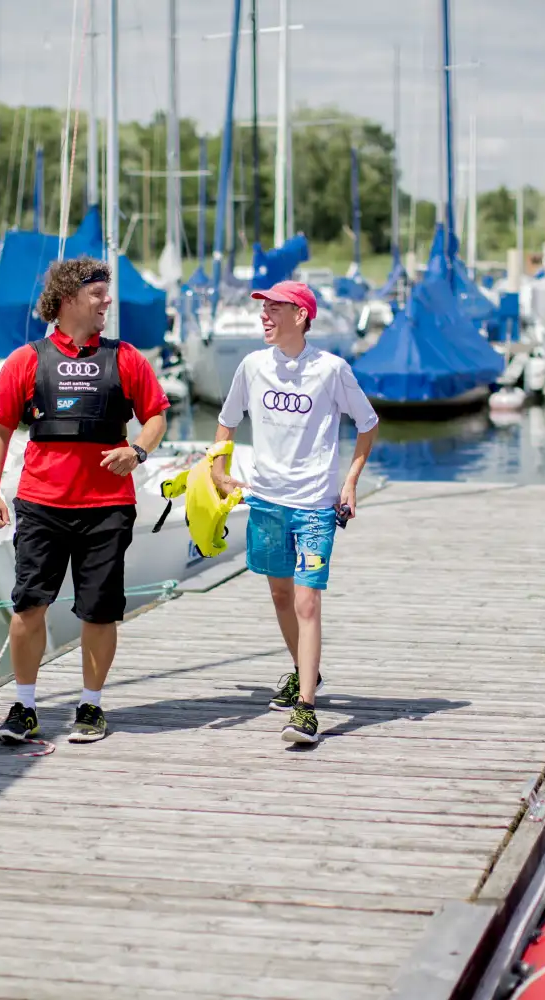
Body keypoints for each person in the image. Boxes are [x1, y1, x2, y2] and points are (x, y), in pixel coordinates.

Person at [0, 256, 169, 745]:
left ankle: (91, 705)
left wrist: (138, 450)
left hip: (107, 507)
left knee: (100, 611)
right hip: (42, 504)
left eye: (107, 293)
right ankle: (24, 706)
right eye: (98, 293)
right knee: (28, 607)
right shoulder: (27, 360)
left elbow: (155, 416)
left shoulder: (126, 358)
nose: (107, 301)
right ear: (68, 298)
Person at [211, 280, 379, 744]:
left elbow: (367, 425)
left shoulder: (331, 370)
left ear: (301, 316)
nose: (263, 316)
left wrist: (349, 481)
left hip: (314, 507)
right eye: (262, 309)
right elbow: (227, 421)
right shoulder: (251, 366)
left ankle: (306, 708)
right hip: (265, 500)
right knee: (281, 597)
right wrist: (219, 471)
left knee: (307, 601)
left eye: (274, 309)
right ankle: (307, 672)